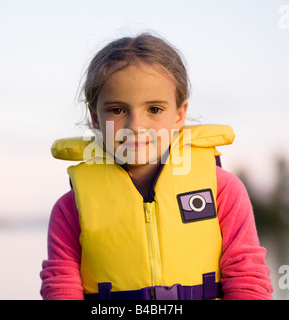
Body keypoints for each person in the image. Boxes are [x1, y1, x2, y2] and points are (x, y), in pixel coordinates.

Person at [40, 33, 273, 300]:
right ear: (95, 116)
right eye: (117, 110)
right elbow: (61, 287)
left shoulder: (224, 190)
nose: (135, 126)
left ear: (179, 114)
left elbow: (247, 275)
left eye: (154, 109)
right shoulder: (69, 209)